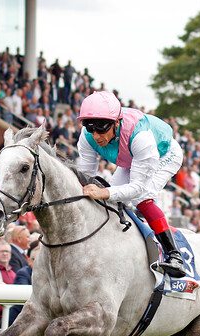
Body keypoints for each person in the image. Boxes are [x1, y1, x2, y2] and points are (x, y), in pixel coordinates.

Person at [77, 90, 185, 277]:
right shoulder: (86, 137)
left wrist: (104, 192)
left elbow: (137, 188)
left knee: (142, 198)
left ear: (116, 123)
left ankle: (174, 256)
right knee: (111, 200)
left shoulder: (141, 137)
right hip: (130, 157)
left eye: (102, 128)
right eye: (90, 127)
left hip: (163, 154)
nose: (96, 135)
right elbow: (85, 176)